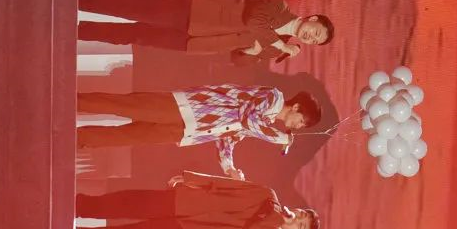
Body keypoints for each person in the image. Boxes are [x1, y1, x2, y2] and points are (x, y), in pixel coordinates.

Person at [76, 170, 319, 229]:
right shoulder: (268, 194)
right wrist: (193, 179)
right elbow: (229, 186)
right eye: (301, 215)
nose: (297, 219)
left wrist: (276, 219)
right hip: (188, 203)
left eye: (300, 226)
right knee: (129, 202)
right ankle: (78, 205)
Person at [76, 80, 324, 162]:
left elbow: (229, 136)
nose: (298, 127)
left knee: (126, 137)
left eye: (302, 126)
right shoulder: (273, 97)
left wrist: (228, 166)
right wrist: (280, 138)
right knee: (122, 106)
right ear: (296, 107)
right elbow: (248, 120)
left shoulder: (264, 124)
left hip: (187, 132)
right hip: (183, 108)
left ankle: (75, 139)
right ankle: (73, 101)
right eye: (302, 120)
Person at [77, 0, 333, 64]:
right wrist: (279, 45)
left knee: (133, 36)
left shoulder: (277, 50)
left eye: (314, 41)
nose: (310, 38)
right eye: (315, 32)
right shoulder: (279, 6)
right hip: (197, 13)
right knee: (131, 7)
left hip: (197, 43)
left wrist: (251, 53)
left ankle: (76, 30)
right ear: (311, 18)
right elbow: (254, 21)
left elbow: (238, 60)